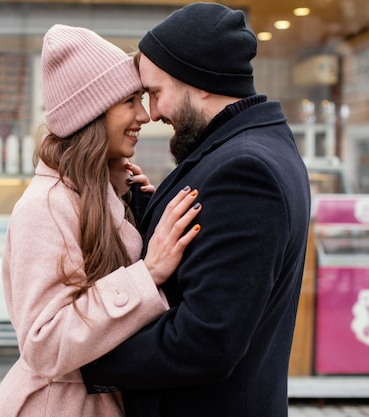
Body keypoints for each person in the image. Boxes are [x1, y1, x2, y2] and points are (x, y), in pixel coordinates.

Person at [81, 3, 312, 417]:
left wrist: (84, 355)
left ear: (199, 81)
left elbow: (206, 339)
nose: (152, 113)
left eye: (155, 92)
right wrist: (146, 209)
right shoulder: (252, 146)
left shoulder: (245, 171)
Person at [0, 24, 202, 417]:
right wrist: (147, 273)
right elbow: (44, 344)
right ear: (91, 113)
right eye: (129, 101)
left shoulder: (103, 192)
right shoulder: (46, 206)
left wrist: (135, 210)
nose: (144, 114)